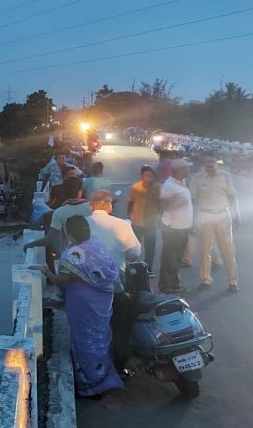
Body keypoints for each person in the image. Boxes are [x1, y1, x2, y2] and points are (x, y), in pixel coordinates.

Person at [40, 215, 124, 397]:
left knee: (84, 338)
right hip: (102, 301)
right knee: (100, 336)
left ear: (68, 233)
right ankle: (103, 376)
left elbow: (61, 280)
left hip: (81, 303)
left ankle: (90, 383)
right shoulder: (97, 245)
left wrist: (46, 271)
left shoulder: (73, 255)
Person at [86, 190, 142, 371]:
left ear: (90, 206)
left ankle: (94, 364)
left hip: (87, 281)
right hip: (115, 278)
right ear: (108, 205)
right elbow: (135, 252)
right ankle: (118, 364)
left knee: (93, 324)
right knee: (120, 322)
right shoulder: (121, 224)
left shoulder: (82, 225)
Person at [189, 151, 241, 293]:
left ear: (216, 161)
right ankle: (206, 279)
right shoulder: (197, 179)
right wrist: (193, 221)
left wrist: (237, 214)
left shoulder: (225, 176)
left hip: (223, 215)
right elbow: (193, 201)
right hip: (205, 216)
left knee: (228, 251)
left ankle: (233, 282)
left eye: (212, 161)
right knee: (205, 251)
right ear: (203, 163)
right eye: (207, 162)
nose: (210, 165)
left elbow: (232, 196)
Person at [24, 177, 91, 270]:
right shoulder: (91, 207)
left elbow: (49, 239)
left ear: (64, 191)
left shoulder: (59, 212)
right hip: (91, 252)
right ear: (80, 191)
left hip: (70, 257)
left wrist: (30, 244)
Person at [158, 159, 194, 294]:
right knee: (169, 258)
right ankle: (165, 286)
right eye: (187, 168)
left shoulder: (181, 183)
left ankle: (174, 284)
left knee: (177, 259)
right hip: (172, 228)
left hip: (183, 227)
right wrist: (177, 204)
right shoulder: (169, 186)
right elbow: (162, 206)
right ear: (179, 170)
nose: (188, 170)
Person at [127, 166, 161, 271]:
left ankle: (148, 267)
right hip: (137, 221)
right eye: (146, 175)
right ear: (141, 176)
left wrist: (161, 217)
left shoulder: (158, 188)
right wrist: (128, 216)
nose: (148, 178)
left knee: (150, 247)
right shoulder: (135, 187)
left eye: (150, 176)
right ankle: (133, 266)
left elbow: (161, 204)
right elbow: (131, 202)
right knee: (135, 246)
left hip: (151, 222)